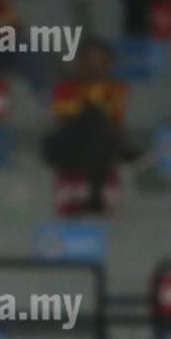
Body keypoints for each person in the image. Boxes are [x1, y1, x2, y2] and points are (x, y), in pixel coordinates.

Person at [42, 38, 136, 215]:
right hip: (71, 144)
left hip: (102, 146)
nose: (94, 66)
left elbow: (115, 125)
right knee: (92, 116)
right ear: (80, 63)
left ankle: (95, 190)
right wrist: (89, 105)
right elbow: (63, 122)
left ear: (109, 64)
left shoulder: (117, 89)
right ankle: (94, 191)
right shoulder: (66, 88)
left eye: (100, 61)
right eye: (89, 61)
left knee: (100, 126)